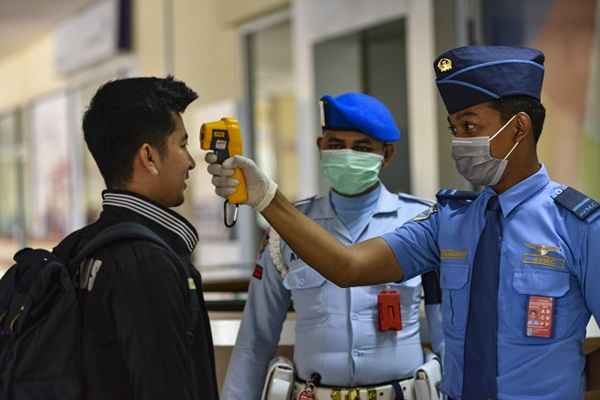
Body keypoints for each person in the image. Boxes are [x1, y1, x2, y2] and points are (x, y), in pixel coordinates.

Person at [207, 46, 600, 400]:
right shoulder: (450, 221)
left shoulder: (579, 227)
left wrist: (562, 380)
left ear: (518, 128)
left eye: (470, 127)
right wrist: (267, 198)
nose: (459, 142)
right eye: (454, 129)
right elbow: (349, 266)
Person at [222, 93, 444, 400]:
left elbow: (449, 334)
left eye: (362, 148)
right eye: (336, 145)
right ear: (320, 146)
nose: (347, 155)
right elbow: (256, 339)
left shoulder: (420, 221)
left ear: (388, 154)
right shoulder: (289, 227)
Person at [55, 76, 219, 400]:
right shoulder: (146, 261)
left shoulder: (79, 248)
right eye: (183, 144)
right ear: (149, 157)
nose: (190, 162)